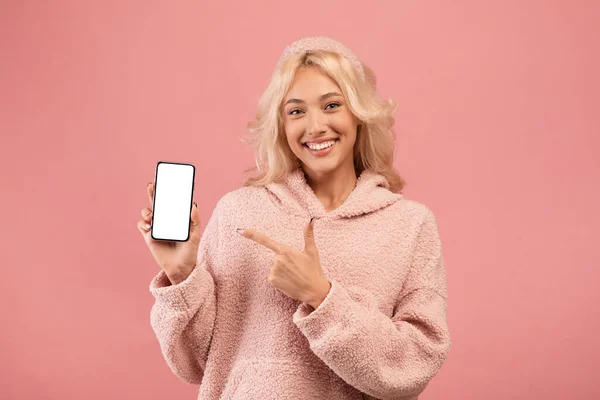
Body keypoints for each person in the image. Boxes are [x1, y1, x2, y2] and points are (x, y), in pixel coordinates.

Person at [137, 36, 451, 400]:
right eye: (296, 111)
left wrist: (321, 296)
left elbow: (413, 365)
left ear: (360, 114)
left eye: (332, 105)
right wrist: (181, 276)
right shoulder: (238, 212)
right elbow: (192, 364)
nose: (315, 126)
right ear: (281, 125)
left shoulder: (410, 225)